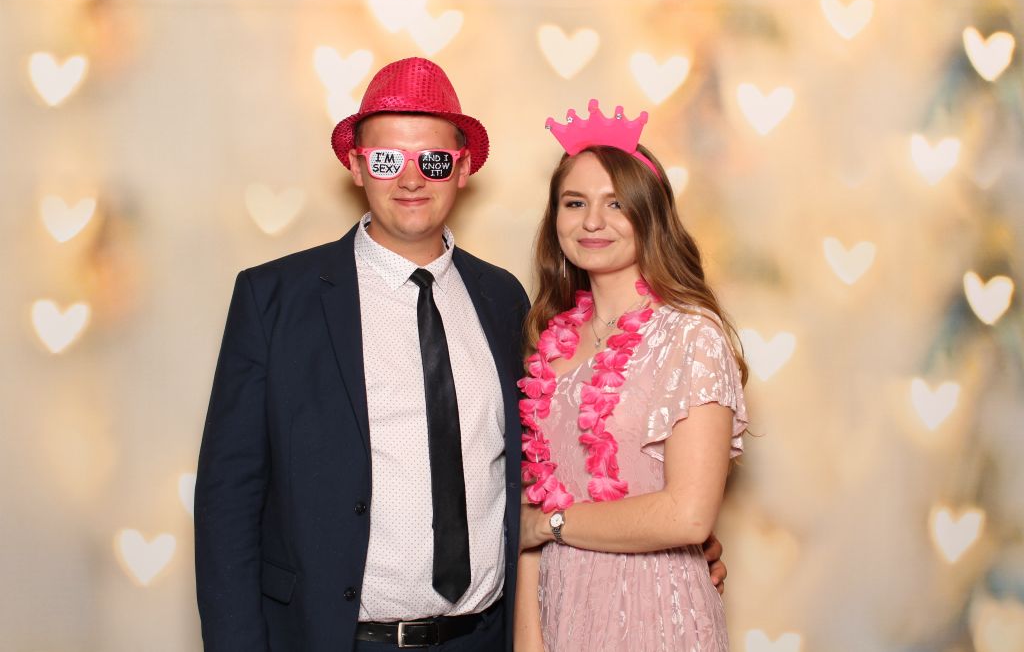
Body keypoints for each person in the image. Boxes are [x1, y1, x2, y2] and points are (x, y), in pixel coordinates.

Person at [195, 58, 727, 651]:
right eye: (388, 159)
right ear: (356, 166)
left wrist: (674, 544)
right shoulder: (274, 299)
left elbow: (545, 464)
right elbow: (227, 500)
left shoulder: (503, 299)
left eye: (434, 160)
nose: (411, 179)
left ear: (464, 168)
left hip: (485, 637)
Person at [514, 99, 749, 652]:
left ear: (649, 216)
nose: (592, 221)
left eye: (615, 203)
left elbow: (687, 516)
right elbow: (527, 515)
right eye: (574, 203)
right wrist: (528, 639)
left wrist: (549, 524)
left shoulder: (691, 337)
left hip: (659, 614)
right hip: (562, 609)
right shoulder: (547, 346)